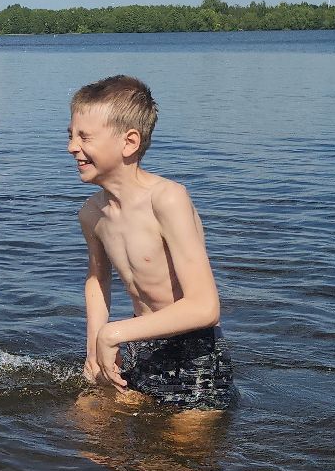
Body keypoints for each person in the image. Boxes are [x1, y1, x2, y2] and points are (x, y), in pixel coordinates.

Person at [69, 75, 236, 408]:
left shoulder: (167, 200)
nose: (72, 146)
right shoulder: (92, 213)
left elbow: (205, 306)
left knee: (174, 456)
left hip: (195, 355)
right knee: (85, 427)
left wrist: (113, 333)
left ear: (129, 143)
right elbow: (97, 281)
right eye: (70, 135)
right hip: (141, 349)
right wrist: (93, 351)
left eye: (84, 137)